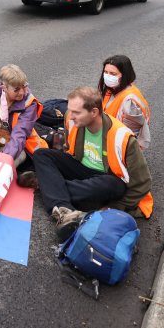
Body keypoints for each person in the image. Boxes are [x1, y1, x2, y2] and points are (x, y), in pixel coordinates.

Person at [23, 86, 153, 237]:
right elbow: (67, 150)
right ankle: (65, 210)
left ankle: (48, 185)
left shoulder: (122, 137)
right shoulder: (73, 122)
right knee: (42, 155)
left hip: (105, 179)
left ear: (94, 112)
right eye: (70, 110)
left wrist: (114, 207)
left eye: (76, 112)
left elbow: (143, 183)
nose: (71, 116)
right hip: (80, 169)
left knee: (115, 186)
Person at [98, 55, 152, 150]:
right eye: (106, 72)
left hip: (119, 145)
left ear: (124, 75)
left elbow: (129, 134)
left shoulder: (130, 102)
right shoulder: (111, 90)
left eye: (113, 74)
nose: (108, 76)